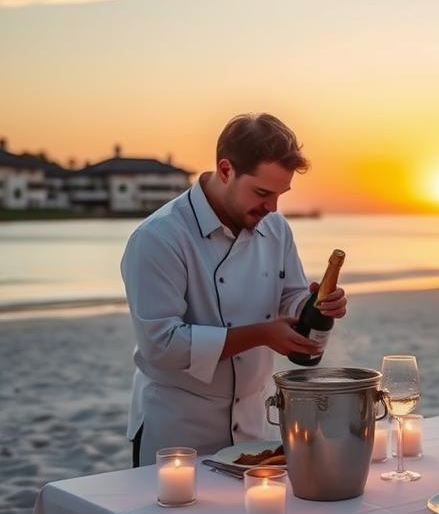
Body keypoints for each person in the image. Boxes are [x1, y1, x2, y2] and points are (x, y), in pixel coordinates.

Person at [121, 113, 347, 467]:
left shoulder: (276, 228)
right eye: (262, 192)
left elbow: (289, 295)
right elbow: (160, 346)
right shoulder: (159, 238)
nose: (272, 207)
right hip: (179, 434)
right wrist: (261, 334)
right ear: (225, 170)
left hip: (255, 427)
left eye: (280, 194)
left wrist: (315, 304)